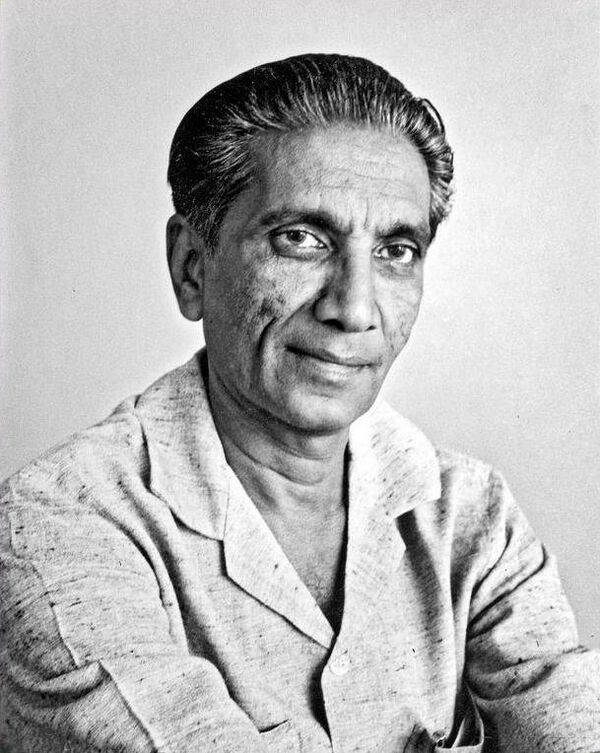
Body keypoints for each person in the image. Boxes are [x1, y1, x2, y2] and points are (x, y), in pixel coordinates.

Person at [0, 54, 598, 753]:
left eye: (396, 250)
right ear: (192, 267)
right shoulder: (56, 526)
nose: (355, 308)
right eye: (301, 240)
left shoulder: (471, 514)